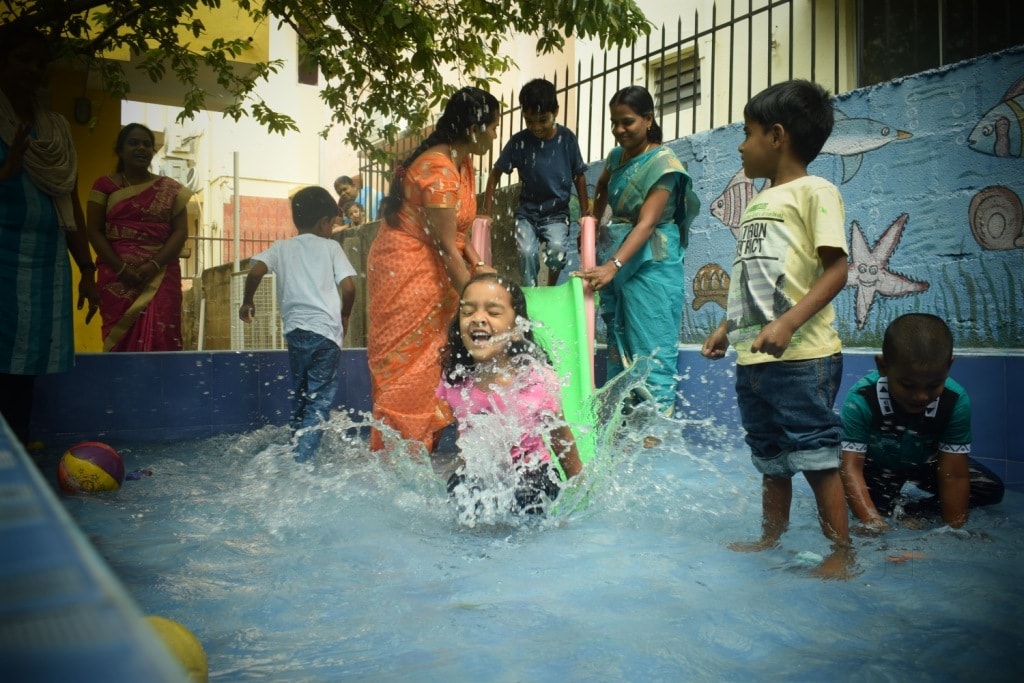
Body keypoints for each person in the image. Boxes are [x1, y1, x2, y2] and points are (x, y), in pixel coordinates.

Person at [700, 80, 852, 579]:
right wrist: (727, 326)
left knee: (816, 455)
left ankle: (841, 551)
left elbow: (836, 269)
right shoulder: (757, 204)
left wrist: (787, 323)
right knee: (771, 454)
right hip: (755, 358)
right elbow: (753, 279)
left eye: (748, 132)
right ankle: (772, 536)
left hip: (803, 357)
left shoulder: (816, 191)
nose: (741, 144)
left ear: (778, 136)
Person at [366, 86, 499, 454]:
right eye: (492, 126)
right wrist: (478, 303)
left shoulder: (462, 162)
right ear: (474, 128)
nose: (494, 134)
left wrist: (479, 263)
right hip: (408, 269)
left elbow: (456, 232)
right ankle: (399, 458)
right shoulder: (437, 169)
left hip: (440, 262)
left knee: (439, 362)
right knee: (408, 369)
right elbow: (443, 243)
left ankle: (423, 450)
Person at [0, 27, 99, 446]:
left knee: (27, 359)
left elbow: (69, 201)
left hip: (44, 260)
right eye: (23, 58)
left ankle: (17, 444)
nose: (34, 69)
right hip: (2, 256)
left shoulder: (54, 128)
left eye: (41, 62)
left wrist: (88, 269)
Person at [575, 85, 698, 413]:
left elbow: (646, 223)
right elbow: (601, 186)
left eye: (627, 122)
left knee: (651, 351)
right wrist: (592, 220)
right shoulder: (617, 157)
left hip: (652, 264)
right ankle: (623, 429)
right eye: (613, 123)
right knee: (618, 344)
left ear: (648, 119)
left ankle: (656, 440)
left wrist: (611, 265)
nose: (618, 130)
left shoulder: (664, 165)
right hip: (620, 257)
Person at [840, 313, 1004, 531]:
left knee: (987, 488)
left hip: (924, 464)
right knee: (870, 507)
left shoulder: (955, 401)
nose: (921, 397)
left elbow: (953, 474)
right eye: (908, 385)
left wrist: (953, 531)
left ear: (949, 366)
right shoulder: (861, 399)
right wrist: (872, 522)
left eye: (933, 385)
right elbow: (851, 468)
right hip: (877, 468)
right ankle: (887, 512)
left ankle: (913, 511)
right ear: (883, 366)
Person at [437, 273, 583, 514]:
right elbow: (469, 441)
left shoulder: (534, 381)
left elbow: (560, 438)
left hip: (532, 475)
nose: (478, 319)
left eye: (493, 312)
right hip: (484, 475)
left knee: (526, 493)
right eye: (468, 311)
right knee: (461, 487)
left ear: (517, 329)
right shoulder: (457, 381)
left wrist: (579, 486)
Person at [238, 186, 357, 462]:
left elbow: (255, 270)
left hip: (295, 334)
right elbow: (349, 288)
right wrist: (346, 315)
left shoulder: (281, 248)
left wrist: (247, 301)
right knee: (319, 400)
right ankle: (301, 460)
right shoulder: (331, 247)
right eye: (332, 223)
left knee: (302, 392)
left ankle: (295, 441)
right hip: (326, 334)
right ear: (324, 223)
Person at [86, 123, 191, 351]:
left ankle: (162, 386)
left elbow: (181, 232)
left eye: (146, 144)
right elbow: (93, 230)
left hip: (161, 273)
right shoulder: (104, 186)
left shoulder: (171, 189)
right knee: (120, 340)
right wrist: (121, 269)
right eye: (134, 143)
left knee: (163, 336)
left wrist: (153, 265)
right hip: (117, 275)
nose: (141, 148)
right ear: (120, 150)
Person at [482, 78, 589, 287]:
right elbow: (495, 174)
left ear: (555, 112)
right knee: (526, 252)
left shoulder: (566, 139)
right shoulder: (519, 141)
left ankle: (550, 287)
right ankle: (531, 291)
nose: (536, 127)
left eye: (543, 119)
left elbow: (579, 175)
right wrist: (486, 210)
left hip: (556, 213)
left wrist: (586, 213)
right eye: (530, 120)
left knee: (557, 250)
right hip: (527, 213)